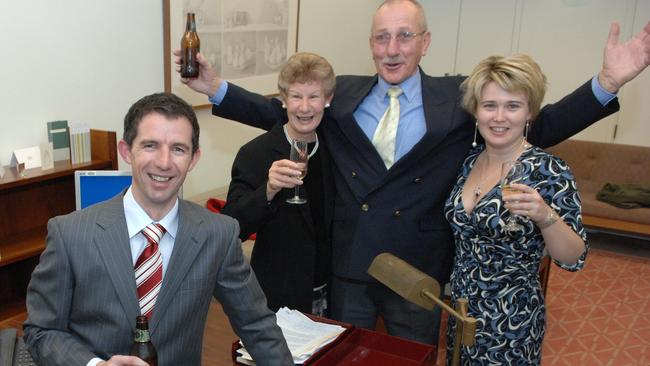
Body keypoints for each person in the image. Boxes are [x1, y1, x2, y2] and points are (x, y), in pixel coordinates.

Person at [176, 0, 650, 345]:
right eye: (382, 37)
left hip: (419, 265)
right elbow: (285, 112)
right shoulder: (342, 95)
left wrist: (607, 83)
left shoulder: (461, 97)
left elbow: (535, 124)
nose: (392, 47)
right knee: (350, 354)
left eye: (405, 35)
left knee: (413, 356)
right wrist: (215, 88)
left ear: (425, 42)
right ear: (371, 45)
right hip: (351, 264)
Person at [23, 93, 293, 366]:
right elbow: (41, 331)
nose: (164, 163)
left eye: (178, 149)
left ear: (194, 158)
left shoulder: (218, 234)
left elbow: (257, 325)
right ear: (126, 151)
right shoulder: (70, 234)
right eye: (150, 145)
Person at [445, 54, 588, 365]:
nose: (499, 117)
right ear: (476, 111)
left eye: (512, 106)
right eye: (490, 105)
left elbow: (573, 257)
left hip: (511, 320)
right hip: (461, 310)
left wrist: (545, 216)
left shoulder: (549, 170)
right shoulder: (469, 161)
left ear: (529, 113)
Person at [220, 52, 335, 316]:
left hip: (331, 290)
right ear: (283, 100)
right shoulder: (255, 153)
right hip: (278, 293)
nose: (304, 108)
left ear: (327, 100)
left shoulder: (336, 150)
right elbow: (231, 226)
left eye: (313, 96)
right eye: (296, 96)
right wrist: (268, 190)